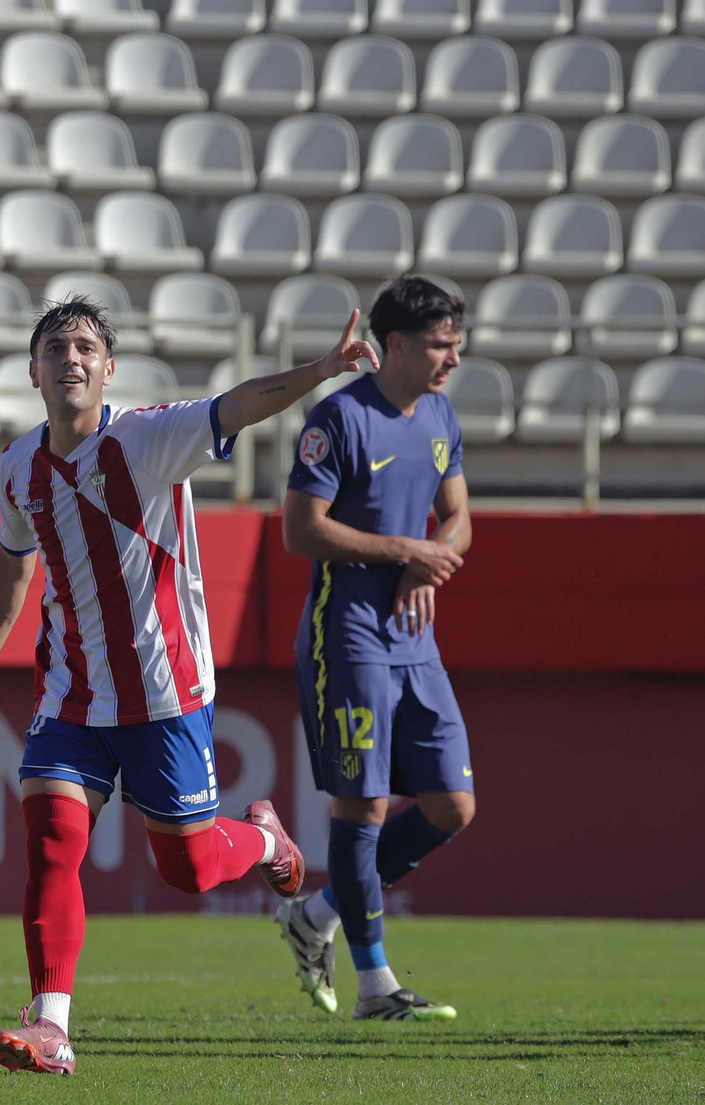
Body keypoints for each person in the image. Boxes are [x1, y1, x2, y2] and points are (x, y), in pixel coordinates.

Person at [0, 295, 379, 1076]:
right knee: (51, 842)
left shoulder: (147, 438)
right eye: (55, 347)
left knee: (190, 867)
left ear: (108, 370)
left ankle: (264, 837)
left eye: (85, 347)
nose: (70, 357)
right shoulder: (17, 467)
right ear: (33, 371)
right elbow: (14, 556)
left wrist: (324, 369)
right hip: (70, 691)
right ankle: (51, 1025)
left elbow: (240, 404)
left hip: (164, 692)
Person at [277, 275, 473, 1023]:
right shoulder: (339, 418)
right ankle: (374, 986)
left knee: (453, 804)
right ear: (393, 345)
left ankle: (316, 913)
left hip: (414, 637)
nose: (451, 359)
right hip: (348, 632)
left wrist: (433, 560)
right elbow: (301, 530)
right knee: (363, 803)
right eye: (438, 344)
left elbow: (458, 520)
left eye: (456, 344)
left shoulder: (442, 414)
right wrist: (403, 552)